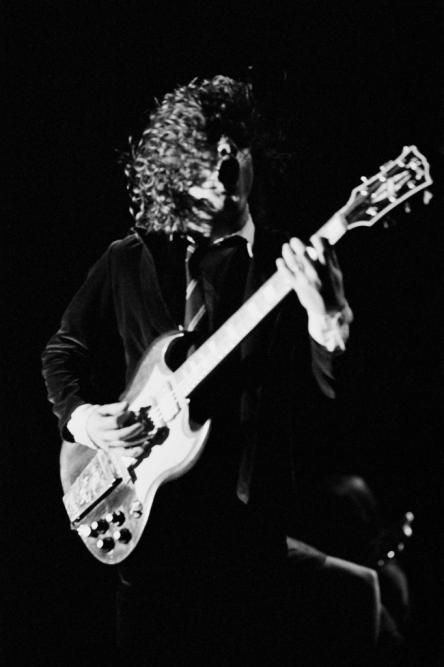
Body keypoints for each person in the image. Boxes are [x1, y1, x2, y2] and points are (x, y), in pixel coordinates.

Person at [42, 75, 375, 665]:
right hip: (148, 545)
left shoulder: (285, 265)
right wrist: (87, 421)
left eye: (231, 151)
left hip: (246, 547)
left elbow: (339, 407)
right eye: (204, 158)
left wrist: (330, 323)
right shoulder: (130, 258)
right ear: (174, 174)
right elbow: (62, 351)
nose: (223, 172)